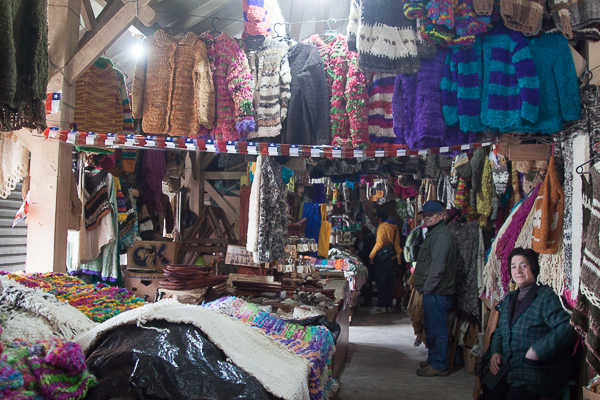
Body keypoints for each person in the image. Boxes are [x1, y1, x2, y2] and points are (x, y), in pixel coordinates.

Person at [481, 248, 578, 400]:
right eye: (513, 266)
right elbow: (499, 331)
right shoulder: (509, 299)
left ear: (533, 267)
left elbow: (568, 327)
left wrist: (539, 350)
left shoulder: (546, 297)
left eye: (523, 265)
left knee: (516, 396)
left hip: (538, 370)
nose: (517, 270)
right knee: (489, 392)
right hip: (509, 367)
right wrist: (495, 351)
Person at [413, 200, 456, 377]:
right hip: (434, 291)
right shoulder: (434, 233)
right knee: (431, 327)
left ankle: (439, 364)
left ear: (441, 215)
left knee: (437, 329)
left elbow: (438, 267)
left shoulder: (441, 236)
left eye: (431, 214)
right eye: (425, 215)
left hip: (438, 291)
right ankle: (433, 359)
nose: (427, 218)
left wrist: (428, 288)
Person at [369, 212, 402, 314]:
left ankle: (381, 306)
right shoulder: (394, 227)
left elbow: (379, 243)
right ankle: (388, 305)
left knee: (381, 282)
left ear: (379, 219)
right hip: (393, 257)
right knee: (389, 282)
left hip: (383, 258)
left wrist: (371, 256)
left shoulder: (382, 227)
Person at [354, 226, 377, 306]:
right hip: (361, 262)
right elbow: (355, 247)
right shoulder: (358, 240)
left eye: (360, 234)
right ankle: (365, 299)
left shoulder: (369, 240)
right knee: (364, 282)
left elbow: (368, 252)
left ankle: (368, 300)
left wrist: (359, 253)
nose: (359, 235)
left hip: (367, 263)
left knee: (367, 282)